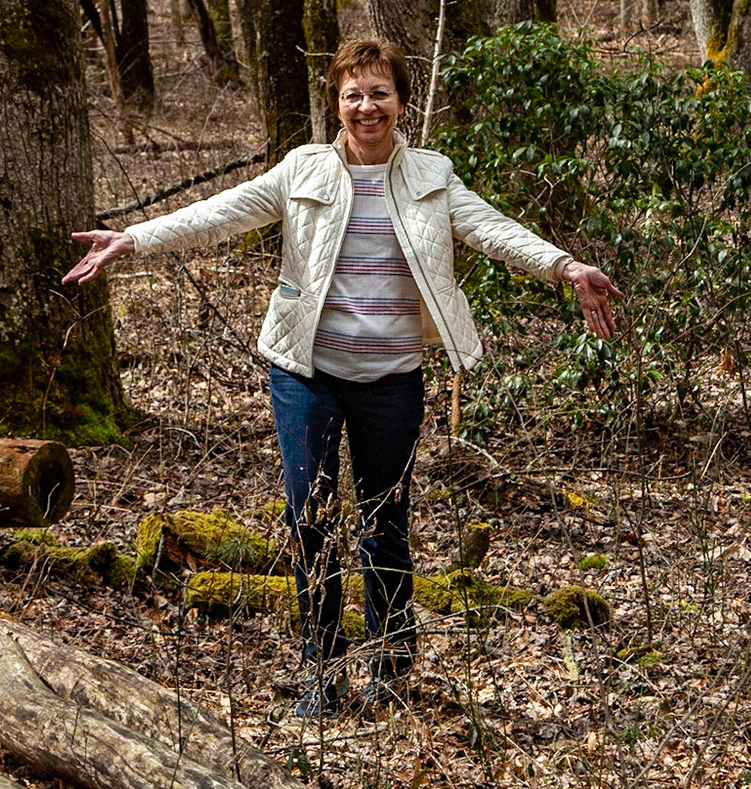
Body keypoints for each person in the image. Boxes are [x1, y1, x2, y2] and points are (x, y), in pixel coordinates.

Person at [64, 37, 618, 715]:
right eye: (352, 94)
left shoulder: (432, 176)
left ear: (401, 103)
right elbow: (224, 210)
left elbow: (493, 230)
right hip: (308, 375)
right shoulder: (304, 169)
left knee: (385, 523)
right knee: (311, 523)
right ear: (337, 102)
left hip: (392, 380)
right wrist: (134, 238)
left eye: (379, 93)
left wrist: (565, 267)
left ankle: (390, 667)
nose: (366, 106)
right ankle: (321, 670)